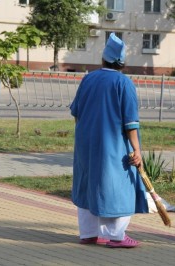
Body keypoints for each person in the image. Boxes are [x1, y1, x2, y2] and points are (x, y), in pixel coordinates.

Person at [70, 33, 148, 248]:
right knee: (116, 185)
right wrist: (137, 150)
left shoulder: (88, 78)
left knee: (87, 182)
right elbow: (130, 123)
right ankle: (116, 235)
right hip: (113, 144)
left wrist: (84, 133)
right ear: (122, 63)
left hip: (85, 141)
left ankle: (88, 233)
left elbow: (76, 112)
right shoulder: (124, 83)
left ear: (103, 59)